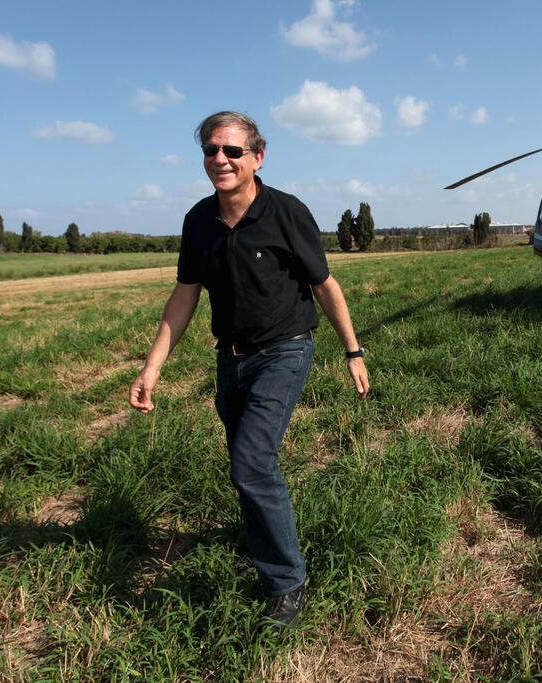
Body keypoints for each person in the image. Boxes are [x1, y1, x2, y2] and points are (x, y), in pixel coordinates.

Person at [129, 111, 368, 633]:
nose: (221, 159)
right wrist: (152, 369)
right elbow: (185, 295)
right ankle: (264, 545)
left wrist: (352, 350)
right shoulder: (198, 221)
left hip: (285, 349)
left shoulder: (286, 212)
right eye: (212, 150)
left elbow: (324, 284)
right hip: (230, 357)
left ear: (257, 157)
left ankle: (287, 583)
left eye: (233, 151)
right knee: (248, 468)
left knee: (252, 462)